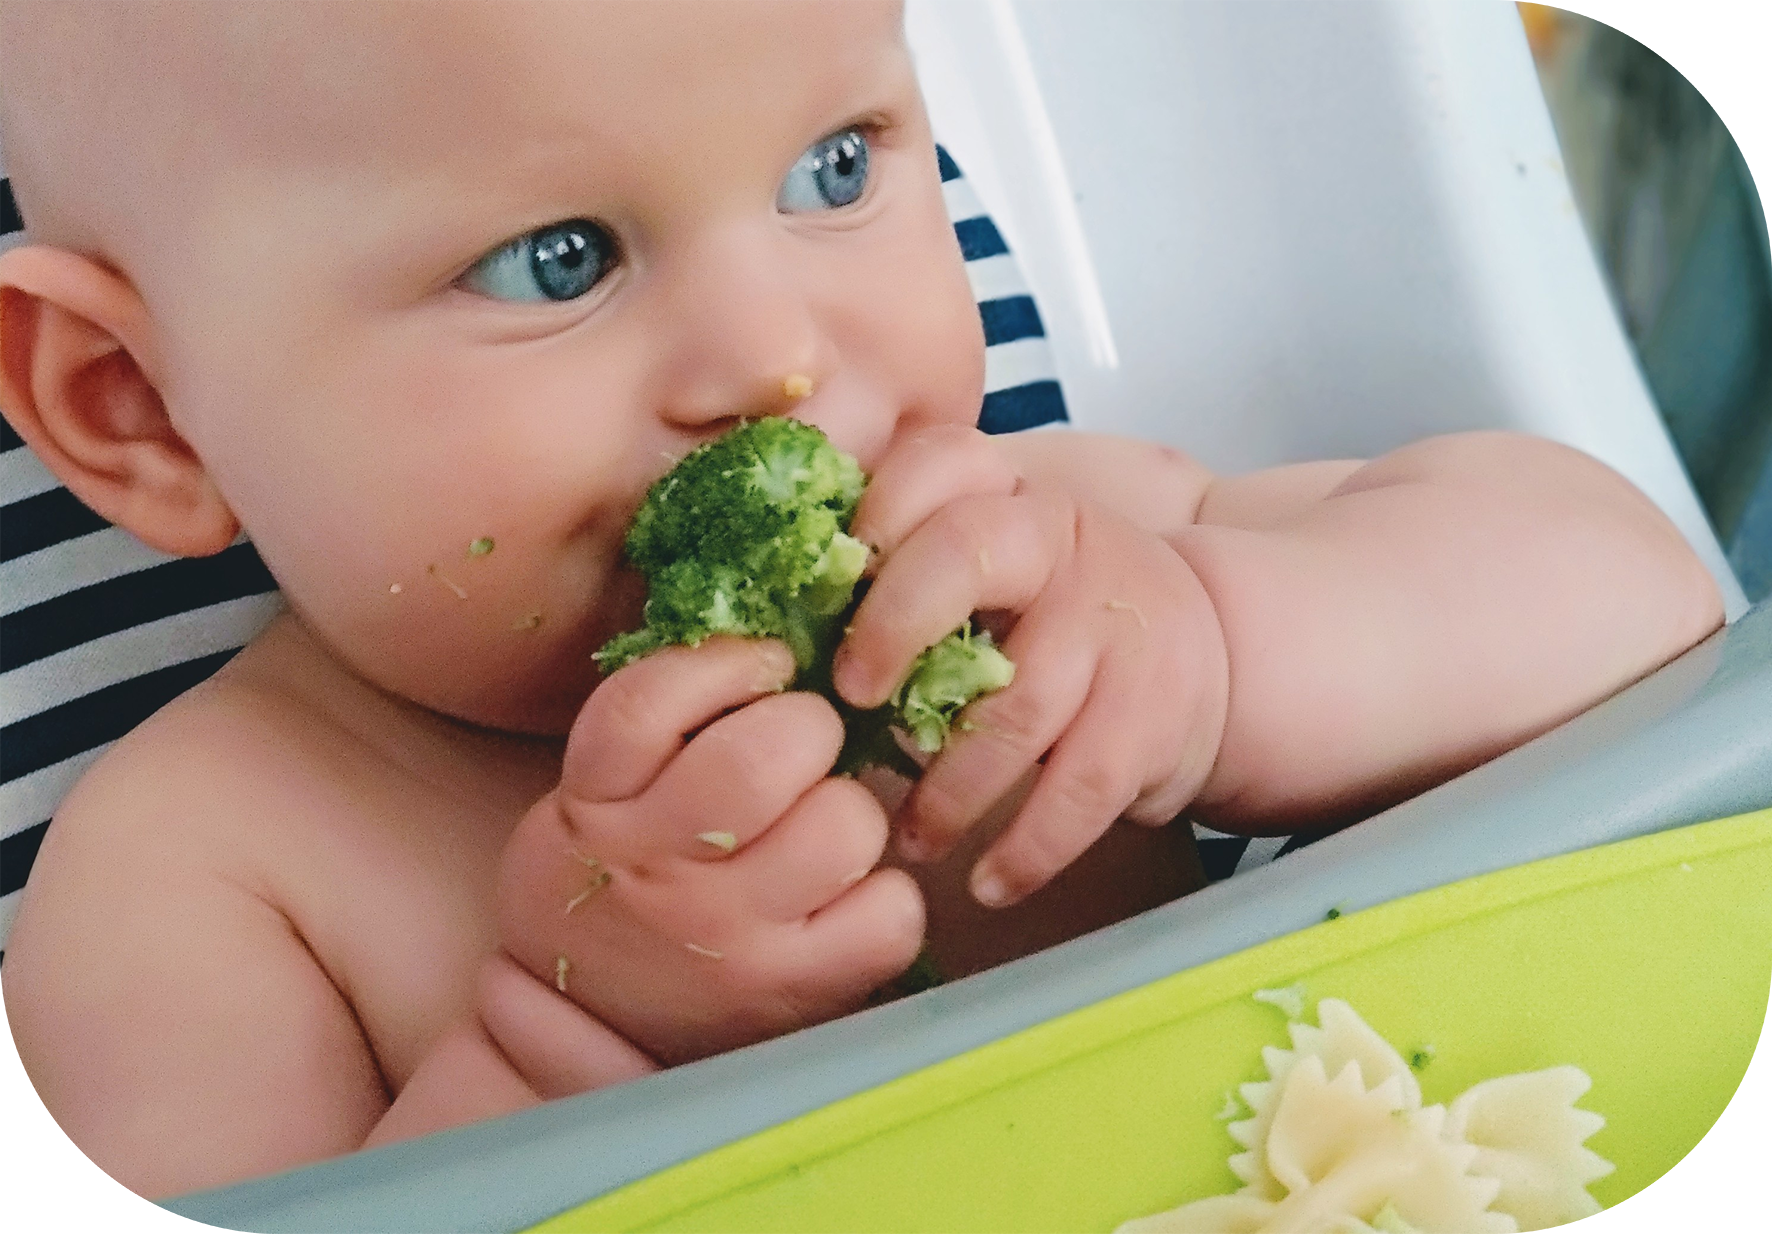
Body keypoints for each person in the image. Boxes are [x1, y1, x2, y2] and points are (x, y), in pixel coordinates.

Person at [0, 0, 1721, 1224]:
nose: (775, 355)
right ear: (134, 409)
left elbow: (1639, 599)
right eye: (557, 260)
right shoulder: (213, 878)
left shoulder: (1087, 546)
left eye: (838, 166)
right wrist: (564, 1045)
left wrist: (1224, 653)